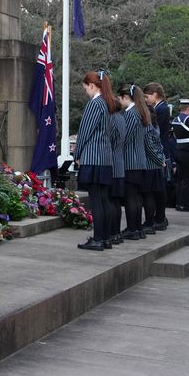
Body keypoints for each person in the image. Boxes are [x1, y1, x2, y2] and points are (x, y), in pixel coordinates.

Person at [75, 71, 116, 251]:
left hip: (93, 158)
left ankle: (98, 238)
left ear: (92, 85)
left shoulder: (95, 104)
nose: (86, 92)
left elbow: (85, 131)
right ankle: (105, 238)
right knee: (104, 199)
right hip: (105, 158)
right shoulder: (108, 104)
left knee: (96, 200)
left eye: (86, 88)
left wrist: (77, 153)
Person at [116, 84, 150, 240]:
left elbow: (124, 137)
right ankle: (137, 228)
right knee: (136, 197)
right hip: (139, 161)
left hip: (130, 161)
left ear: (125, 98)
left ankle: (132, 228)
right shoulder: (140, 112)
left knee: (131, 197)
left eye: (119, 98)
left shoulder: (130, 114)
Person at [144, 83, 175, 210]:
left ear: (155, 95)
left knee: (160, 187)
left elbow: (156, 131)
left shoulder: (161, 109)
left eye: (147, 96)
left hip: (160, 148)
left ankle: (160, 216)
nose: (146, 100)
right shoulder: (161, 107)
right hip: (161, 148)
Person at [145, 106, 168, 231]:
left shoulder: (148, 127)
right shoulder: (155, 126)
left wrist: (160, 161)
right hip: (157, 165)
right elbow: (159, 146)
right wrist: (162, 160)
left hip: (150, 165)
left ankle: (150, 222)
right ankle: (157, 219)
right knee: (155, 195)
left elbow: (150, 147)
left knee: (150, 195)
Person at [108, 96, 127, 244]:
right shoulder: (122, 118)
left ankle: (112, 232)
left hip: (112, 162)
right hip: (120, 163)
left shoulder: (112, 119)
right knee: (116, 202)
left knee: (110, 201)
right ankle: (116, 232)